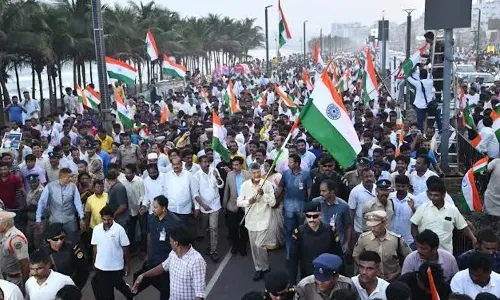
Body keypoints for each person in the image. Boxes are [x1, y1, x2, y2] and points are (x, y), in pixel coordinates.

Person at [132, 226, 207, 300]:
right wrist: (143, 275)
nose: (169, 243)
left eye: (170, 241)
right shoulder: (173, 253)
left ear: (176, 243)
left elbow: (199, 294)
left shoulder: (196, 262)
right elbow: (163, 266)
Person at [133, 195, 181, 300]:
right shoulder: (151, 218)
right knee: (141, 279)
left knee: (165, 290)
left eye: (155, 207)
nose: (152, 209)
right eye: (152, 207)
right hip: (152, 258)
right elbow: (149, 235)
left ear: (163, 208)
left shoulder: (175, 222)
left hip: (165, 263)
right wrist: (147, 253)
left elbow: (178, 245)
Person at [410, 180, 476, 253]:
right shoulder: (422, 208)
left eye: (436, 195)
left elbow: (463, 227)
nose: (432, 198)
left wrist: (473, 239)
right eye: (431, 195)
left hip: (445, 252)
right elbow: (414, 226)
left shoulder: (452, 209)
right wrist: (417, 241)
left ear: (444, 195)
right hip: (425, 252)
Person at [288, 201, 343, 284]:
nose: (311, 219)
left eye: (315, 216)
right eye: (308, 216)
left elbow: (338, 254)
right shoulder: (298, 232)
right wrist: (292, 282)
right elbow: (293, 259)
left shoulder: (330, 231)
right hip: (307, 275)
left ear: (320, 215)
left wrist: (341, 276)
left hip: (327, 275)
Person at [238, 162, 276, 281]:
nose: (256, 175)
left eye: (258, 172)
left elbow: (273, 203)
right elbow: (239, 202)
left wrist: (263, 194)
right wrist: (249, 201)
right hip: (250, 221)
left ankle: (266, 267)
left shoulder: (267, 184)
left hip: (264, 220)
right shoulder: (245, 185)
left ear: (261, 172)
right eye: (254, 172)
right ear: (250, 173)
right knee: (254, 247)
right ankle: (259, 269)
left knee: (260, 245)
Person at [353, 210, 412, 282]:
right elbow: (356, 256)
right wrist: (368, 269)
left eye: (376, 225)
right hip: (371, 280)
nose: (373, 229)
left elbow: (409, 258)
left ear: (384, 223)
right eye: (372, 226)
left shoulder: (397, 240)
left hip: (393, 279)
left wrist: (397, 273)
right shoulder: (363, 238)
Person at [90, 205, 134, 300]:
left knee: (119, 285)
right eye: (104, 219)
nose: (106, 222)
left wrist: (127, 264)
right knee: (107, 292)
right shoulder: (96, 229)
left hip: (116, 267)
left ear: (113, 217)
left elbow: (125, 248)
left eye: (108, 220)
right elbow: (95, 247)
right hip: (101, 267)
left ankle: (130, 295)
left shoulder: (119, 230)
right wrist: (94, 262)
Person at [276, 153, 312, 258]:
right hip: (288, 209)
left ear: (297, 163)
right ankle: (289, 254)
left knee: (302, 231)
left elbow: (309, 190)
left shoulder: (306, 174)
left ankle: (302, 253)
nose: (288, 164)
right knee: (289, 231)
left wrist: (308, 206)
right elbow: (280, 188)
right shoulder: (286, 174)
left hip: (301, 208)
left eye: (290, 162)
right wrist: (273, 198)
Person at [36, 168, 86, 243]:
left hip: (70, 220)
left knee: (74, 242)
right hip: (55, 219)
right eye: (69, 177)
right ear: (61, 176)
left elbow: (78, 203)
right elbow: (42, 203)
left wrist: (81, 217)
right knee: (52, 241)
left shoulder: (73, 187)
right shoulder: (49, 187)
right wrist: (38, 219)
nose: (71, 179)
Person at [39, 223, 89, 289]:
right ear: (48, 239)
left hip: (69, 287)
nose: (60, 241)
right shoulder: (42, 252)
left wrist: (77, 287)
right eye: (56, 239)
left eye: (62, 238)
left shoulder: (73, 249)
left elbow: (83, 270)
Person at [193, 155, 224, 262]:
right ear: (200, 164)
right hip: (204, 207)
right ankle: (210, 245)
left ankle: (213, 251)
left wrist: (217, 177)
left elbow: (221, 185)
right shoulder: (196, 175)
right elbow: (195, 193)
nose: (207, 164)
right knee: (205, 228)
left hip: (215, 205)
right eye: (204, 162)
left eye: (208, 162)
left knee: (213, 228)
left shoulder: (214, 170)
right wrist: (202, 205)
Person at [311, 179, 352, 247]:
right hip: (318, 242)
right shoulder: (315, 202)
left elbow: (348, 226)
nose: (321, 193)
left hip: (337, 243)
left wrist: (347, 243)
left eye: (324, 191)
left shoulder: (343, 206)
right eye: (320, 191)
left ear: (332, 192)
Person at [223, 156, 250, 255]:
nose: (234, 167)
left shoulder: (247, 174)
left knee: (244, 228)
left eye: (236, 165)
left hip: (244, 205)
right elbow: (226, 191)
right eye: (233, 165)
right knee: (232, 228)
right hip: (232, 205)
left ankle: (243, 247)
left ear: (241, 165)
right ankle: (235, 245)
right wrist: (224, 206)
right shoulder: (229, 175)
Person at [0, 210, 29, 291]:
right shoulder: (3, 233)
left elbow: (24, 263)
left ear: (5, 224)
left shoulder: (16, 239)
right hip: (5, 276)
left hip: (15, 279)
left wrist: (25, 282)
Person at [165, 157, 199, 225]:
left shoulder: (188, 175)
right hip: (171, 209)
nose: (176, 166)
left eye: (177, 164)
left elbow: (194, 192)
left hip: (185, 210)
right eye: (174, 164)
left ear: (181, 164)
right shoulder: (167, 176)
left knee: (183, 232)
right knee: (173, 231)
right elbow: (165, 192)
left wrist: (196, 207)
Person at [389, 175, 415, 249]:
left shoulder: (413, 199)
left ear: (407, 186)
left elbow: (418, 219)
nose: (400, 189)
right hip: (391, 235)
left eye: (403, 186)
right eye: (398, 186)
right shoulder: (390, 197)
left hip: (408, 238)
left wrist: (413, 208)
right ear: (395, 185)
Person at [407, 66, 434, 131]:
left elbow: (408, 78)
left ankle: (421, 133)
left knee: (420, 123)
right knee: (430, 121)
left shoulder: (418, 83)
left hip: (420, 106)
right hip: (429, 105)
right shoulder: (430, 82)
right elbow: (430, 76)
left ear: (420, 76)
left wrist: (409, 70)